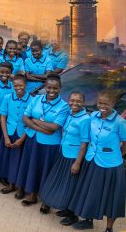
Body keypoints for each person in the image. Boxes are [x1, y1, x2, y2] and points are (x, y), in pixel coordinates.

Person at [66, 92, 126, 232]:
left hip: (110, 165)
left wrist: (117, 154)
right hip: (91, 160)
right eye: (100, 103)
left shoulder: (120, 122)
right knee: (89, 191)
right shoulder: (93, 116)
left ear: (113, 104)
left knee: (111, 197)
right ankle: (88, 220)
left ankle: (109, 228)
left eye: (106, 104)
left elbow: (125, 143)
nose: (102, 106)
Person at [15, 73, 70, 211]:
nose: (51, 91)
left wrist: (34, 120)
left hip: (50, 145)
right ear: (45, 86)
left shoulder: (64, 106)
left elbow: (54, 127)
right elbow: (25, 118)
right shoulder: (36, 99)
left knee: (45, 171)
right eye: (49, 87)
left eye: (55, 88)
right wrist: (40, 127)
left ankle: (46, 200)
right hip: (33, 139)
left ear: (60, 88)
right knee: (32, 167)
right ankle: (32, 194)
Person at [39, 92, 90, 226]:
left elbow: (84, 143)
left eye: (78, 101)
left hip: (73, 157)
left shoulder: (85, 119)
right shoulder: (69, 114)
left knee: (72, 186)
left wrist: (77, 163)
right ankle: (66, 209)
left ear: (83, 103)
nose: (74, 103)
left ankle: (73, 215)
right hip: (64, 153)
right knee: (65, 184)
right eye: (72, 100)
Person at [0, 75, 32, 196]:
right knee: (10, 159)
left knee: (21, 161)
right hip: (9, 132)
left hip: (23, 134)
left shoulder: (32, 100)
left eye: (21, 85)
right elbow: (3, 117)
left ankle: (20, 187)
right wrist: (5, 137)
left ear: (25, 85)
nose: (18, 88)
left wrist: (22, 139)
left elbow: (31, 122)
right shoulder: (8, 97)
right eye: (15, 85)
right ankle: (11, 184)